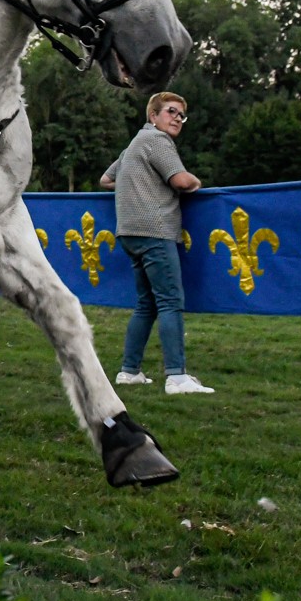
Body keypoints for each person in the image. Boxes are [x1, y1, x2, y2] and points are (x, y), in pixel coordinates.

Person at [99, 92, 214, 395]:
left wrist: (137, 184)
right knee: (170, 302)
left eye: (181, 115)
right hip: (155, 232)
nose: (177, 118)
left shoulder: (134, 145)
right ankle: (176, 377)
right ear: (153, 116)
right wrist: (196, 181)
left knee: (146, 304)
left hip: (129, 232)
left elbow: (106, 180)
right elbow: (181, 181)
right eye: (172, 112)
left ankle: (129, 371)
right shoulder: (158, 141)